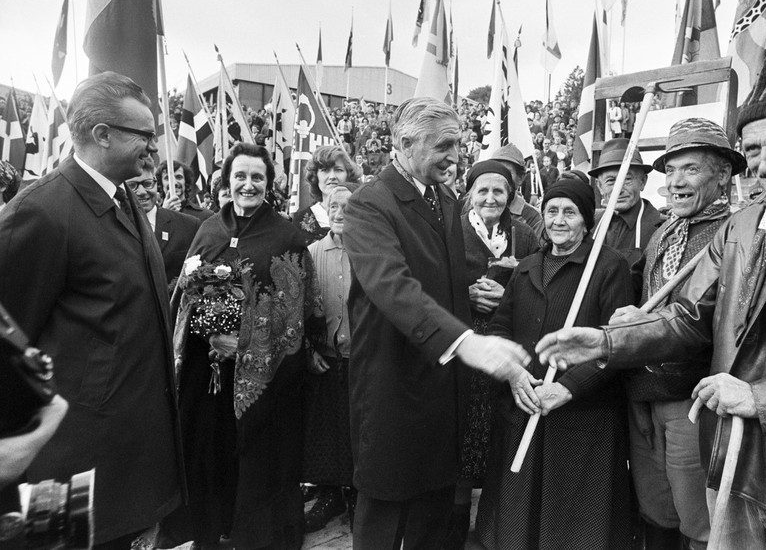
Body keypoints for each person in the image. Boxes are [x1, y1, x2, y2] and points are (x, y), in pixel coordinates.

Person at [537, 13, 766, 550]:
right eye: (756, 149)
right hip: (738, 465)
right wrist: (605, 342)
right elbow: (693, 317)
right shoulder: (746, 223)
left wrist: (762, 399)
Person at [0, 71, 184, 548]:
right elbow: (8, 345)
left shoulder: (121, 195)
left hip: (124, 453)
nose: (154, 146)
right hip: (67, 464)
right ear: (102, 135)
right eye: (144, 134)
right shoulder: (40, 212)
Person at [343, 97, 531, 549]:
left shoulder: (445, 200)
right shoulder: (370, 204)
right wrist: (466, 342)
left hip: (444, 391)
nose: (455, 156)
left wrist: (488, 287)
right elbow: (394, 286)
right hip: (393, 387)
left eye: (459, 144)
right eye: (444, 145)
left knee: (434, 517)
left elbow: (444, 278)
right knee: (385, 517)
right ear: (405, 143)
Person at [162, 142, 325, 550]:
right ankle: (209, 530)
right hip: (207, 372)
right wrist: (206, 332)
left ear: (269, 183)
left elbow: (296, 314)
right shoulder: (209, 229)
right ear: (227, 180)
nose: (248, 185)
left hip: (263, 379)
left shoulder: (286, 236)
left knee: (256, 456)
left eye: (257, 177)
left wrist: (247, 343)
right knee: (207, 448)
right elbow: (185, 295)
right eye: (240, 176)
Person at [475, 177, 637, 550]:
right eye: (551, 211)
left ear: (586, 220)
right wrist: (513, 373)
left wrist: (566, 388)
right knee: (518, 521)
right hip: (524, 403)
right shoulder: (527, 266)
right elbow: (500, 327)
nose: (558, 220)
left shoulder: (608, 267)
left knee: (571, 525)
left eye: (570, 212)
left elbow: (616, 346)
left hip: (581, 416)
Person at [625, 118, 745, 550]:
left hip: (692, 399)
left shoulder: (738, 233)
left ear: (724, 174)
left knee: (700, 519)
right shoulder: (662, 234)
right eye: (670, 170)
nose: (675, 182)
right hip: (643, 392)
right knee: (656, 509)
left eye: (690, 169)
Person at [446, 160, 539, 549]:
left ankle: (497, 525)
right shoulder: (451, 230)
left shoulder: (525, 235)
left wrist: (510, 295)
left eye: (498, 190)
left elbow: (539, 284)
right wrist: (464, 295)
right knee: (462, 432)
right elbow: (436, 283)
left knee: (501, 430)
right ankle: (452, 525)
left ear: (510, 195)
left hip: (505, 343)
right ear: (470, 193)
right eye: (482, 190)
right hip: (465, 345)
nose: (490, 198)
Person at [302, 182, 360, 534]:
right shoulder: (310, 253)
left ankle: (354, 494)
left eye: (347, 207)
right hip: (323, 360)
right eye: (333, 206)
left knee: (355, 429)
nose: (340, 213)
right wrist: (309, 351)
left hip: (359, 361)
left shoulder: (370, 253)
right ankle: (328, 494)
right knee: (325, 430)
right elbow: (297, 309)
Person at [590, 137, 663, 295]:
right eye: (611, 181)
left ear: (643, 181)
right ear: (600, 186)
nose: (619, 189)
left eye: (627, 179)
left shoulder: (661, 230)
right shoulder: (589, 225)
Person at [128, 158, 201, 287]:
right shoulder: (112, 226)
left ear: (156, 184)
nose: (142, 192)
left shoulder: (189, 226)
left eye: (147, 183)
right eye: (133, 186)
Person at [292, 145, 362, 245]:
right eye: (325, 170)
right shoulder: (300, 219)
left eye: (338, 170)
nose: (332, 177)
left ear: (348, 175)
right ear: (316, 176)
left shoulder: (362, 214)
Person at [489, 143, 544, 239]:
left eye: (507, 172)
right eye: (495, 169)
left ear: (520, 178)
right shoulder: (477, 208)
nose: (500, 176)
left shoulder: (532, 217)